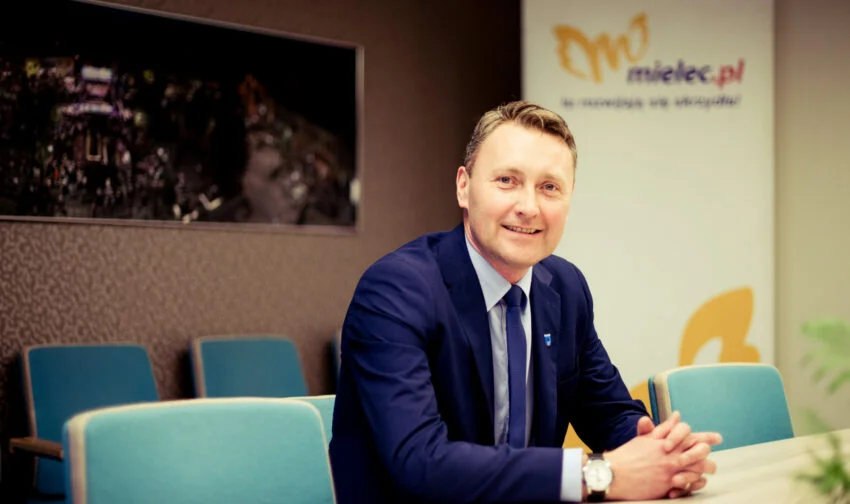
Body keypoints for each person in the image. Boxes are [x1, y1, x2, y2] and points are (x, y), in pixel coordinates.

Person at [329, 100, 721, 503]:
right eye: (507, 181)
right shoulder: (396, 289)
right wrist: (599, 475)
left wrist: (662, 454)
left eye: (550, 187)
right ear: (464, 186)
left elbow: (609, 412)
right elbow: (421, 463)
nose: (529, 207)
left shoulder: (565, 287)